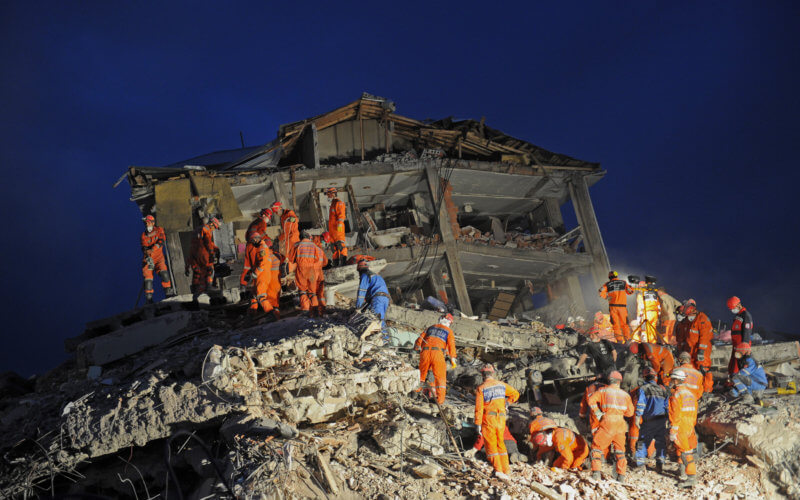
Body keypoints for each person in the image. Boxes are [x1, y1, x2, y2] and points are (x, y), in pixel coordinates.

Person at [587, 371, 634, 482]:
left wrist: (598, 413)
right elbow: (630, 413)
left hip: (607, 421)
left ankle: (596, 474)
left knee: (596, 447)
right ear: (620, 381)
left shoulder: (603, 391)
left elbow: (591, 400)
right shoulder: (626, 395)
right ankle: (621, 476)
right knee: (620, 451)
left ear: (609, 380)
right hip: (620, 424)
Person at [474, 364, 520, 478]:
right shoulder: (501, 385)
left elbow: (479, 409)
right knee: (501, 444)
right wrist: (507, 403)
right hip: (501, 419)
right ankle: (506, 470)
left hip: (489, 419)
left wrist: (477, 424)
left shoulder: (481, 388)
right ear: (493, 373)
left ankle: (498, 470)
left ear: (482, 375)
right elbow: (515, 394)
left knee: (491, 445)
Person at [414, 314, 457, 404]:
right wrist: (453, 359)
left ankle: (415, 393)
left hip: (425, 353)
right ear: (449, 322)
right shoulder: (448, 331)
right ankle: (440, 400)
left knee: (421, 375)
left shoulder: (430, 328)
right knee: (440, 377)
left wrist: (416, 349)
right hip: (437, 354)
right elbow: (451, 345)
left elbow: (419, 340)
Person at [632, 367, 668, 471]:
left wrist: (638, 417)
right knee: (660, 441)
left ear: (644, 377)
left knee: (642, 441)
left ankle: (641, 465)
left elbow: (641, 403)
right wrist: (667, 420)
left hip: (649, 420)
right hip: (661, 420)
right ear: (655, 377)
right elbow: (667, 406)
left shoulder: (643, 388)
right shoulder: (662, 389)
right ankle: (660, 464)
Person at [668, 368, 698, 488]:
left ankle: (691, 478)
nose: (670, 381)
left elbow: (675, 414)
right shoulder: (690, 394)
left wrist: (673, 430)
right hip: (690, 424)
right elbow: (695, 412)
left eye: (672, 379)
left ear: (676, 381)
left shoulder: (676, 395)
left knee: (685, 452)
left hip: (681, 425)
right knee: (682, 449)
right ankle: (682, 471)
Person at [289, 231, 325, 315]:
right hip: (312, 270)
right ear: (308, 237)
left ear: (301, 237)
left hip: (301, 270)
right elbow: (319, 260)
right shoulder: (314, 246)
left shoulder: (296, 245)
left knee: (303, 291)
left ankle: (305, 311)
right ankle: (315, 311)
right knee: (312, 292)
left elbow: (291, 259)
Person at [185, 217, 220, 303]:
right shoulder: (206, 229)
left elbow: (193, 245)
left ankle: (195, 293)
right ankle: (208, 285)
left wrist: (187, 265)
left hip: (194, 255)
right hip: (203, 253)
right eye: (215, 227)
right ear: (212, 224)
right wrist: (212, 253)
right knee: (209, 268)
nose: (214, 229)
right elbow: (208, 242)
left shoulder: (196, 230)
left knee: (198, 273)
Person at [140, 215, 174, 303]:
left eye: (147, 222)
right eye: (145, 223)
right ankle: (149, 298)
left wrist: (153, 249)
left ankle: (168, 293)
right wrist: (147, 254)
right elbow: (144, 247)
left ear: (152, 222)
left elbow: (161, 241)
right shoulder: (144, 235)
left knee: (164, 274)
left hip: (159, 257)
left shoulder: (159, 230)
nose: (146, 224)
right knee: (148, 279)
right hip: (148, 259)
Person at [248, 233, 280, 320]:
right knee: (253, 295)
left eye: (252, 241)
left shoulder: (262, 248)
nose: (252, 243)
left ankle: (272, 314)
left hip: (262, 275)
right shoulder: (261, 248)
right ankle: (252, 314)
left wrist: (255, 273)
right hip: (261, 275)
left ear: (255, 239)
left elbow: (263, 263)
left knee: (260, 295)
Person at [684, 304, 714, 393]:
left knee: (704, 368)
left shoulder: (702, 319)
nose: (688, 317)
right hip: (693, 349)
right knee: (693, 369)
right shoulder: (693, 320)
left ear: (694, 311)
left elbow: (705, 337)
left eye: (689, 315)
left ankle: (707, 389)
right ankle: (696, 389)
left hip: (702, 349)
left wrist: (701, 351)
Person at [598, 271, 634, 342]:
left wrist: (606, 297)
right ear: (616, 276)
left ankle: (619, 341)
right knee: (625, 324)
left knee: (615, 325)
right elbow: (630, 291)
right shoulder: (623, 282)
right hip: (622, 307)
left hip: (613, 307)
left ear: (609, 277)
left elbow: (600, 291)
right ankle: (628, 339)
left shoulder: (607, 284)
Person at [355, 259, 391, 329]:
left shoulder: (365, 275)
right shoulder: (376, 276)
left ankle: (381, 338)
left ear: (359, 269)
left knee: (377, 322)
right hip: (385, 299)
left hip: (378, 299)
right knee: (382, 321)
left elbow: (361, 292)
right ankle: (385, 338)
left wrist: (358, 308)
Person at [727, 296, 753, 376]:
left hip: (741, 346)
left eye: (733, 308)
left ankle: (737, 383)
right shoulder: (738, 316)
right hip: (736, 345)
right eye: (731, 309)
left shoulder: (746, 315)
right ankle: (731, 380)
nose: (732, 310)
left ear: (738, 305)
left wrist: (744, 346)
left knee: (738, 366)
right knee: (732, 365)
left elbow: (747, 331)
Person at [325, 187, 348, 267]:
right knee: (333, 248)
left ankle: (343, 263)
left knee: (340, 245)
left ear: (333, 194)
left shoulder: (339, 203)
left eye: (329, 194)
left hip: (338, 230)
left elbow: (341, 216)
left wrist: (339, 227)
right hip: (332, 231)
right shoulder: (333, 204)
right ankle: (336, 265)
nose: (328, 196)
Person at [310, 233, 329, 316]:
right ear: (321, 238)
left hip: (311, 273)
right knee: (320, 293)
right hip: (319, 273)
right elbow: (325, 262)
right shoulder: (320, 249)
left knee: (312, 293)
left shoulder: (310, 247)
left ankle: (313, 313)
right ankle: (322, 312)